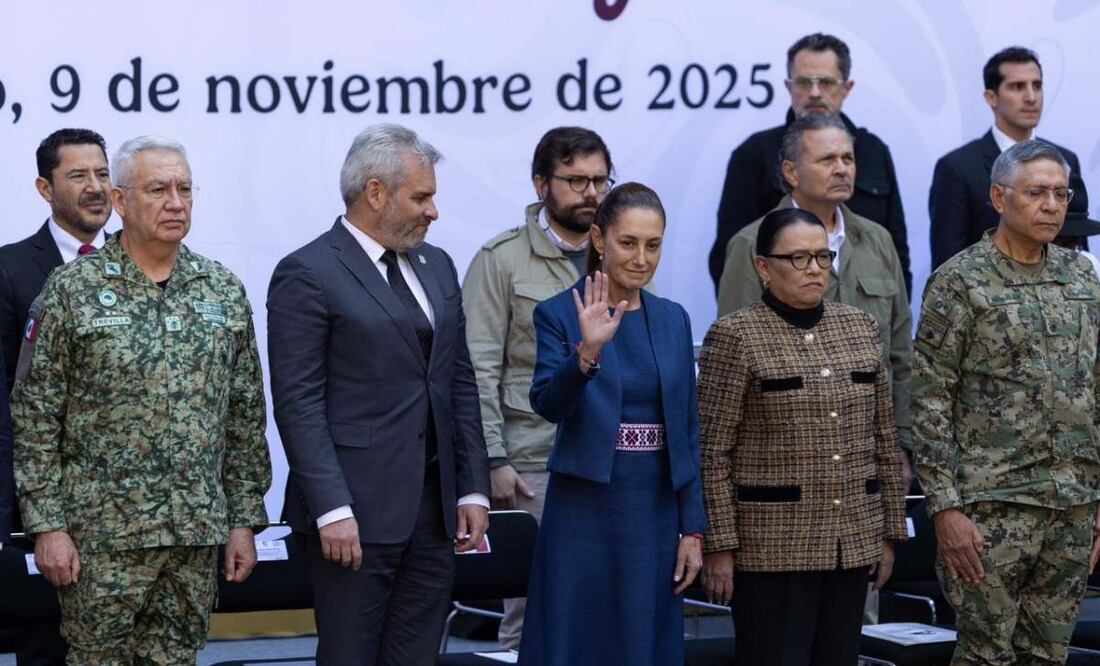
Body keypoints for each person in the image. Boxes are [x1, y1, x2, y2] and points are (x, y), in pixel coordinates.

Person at [12, 136, 271, 664]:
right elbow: (35, 417)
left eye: (184, 189)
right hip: (101, 540)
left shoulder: (221, 290)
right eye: (158, 189)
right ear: (122, 200)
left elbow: (244, 417)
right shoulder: (72, 290)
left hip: (195, 537)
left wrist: (244, 520)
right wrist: (48, 526)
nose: (175, 202)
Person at [268, 123, 491, 666]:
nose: (433, 211)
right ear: (375, 192)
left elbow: (457, 379)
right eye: (421, 197)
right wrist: (331, 510)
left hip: (435, 513)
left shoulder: (436, 264)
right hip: (355, 515)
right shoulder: (308, 272)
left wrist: (473, 490)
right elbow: (298, 404)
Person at [913, 139, 1100, 665]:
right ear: (999, 197)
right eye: (1036, 192)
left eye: (1060, 194)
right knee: (985, 656)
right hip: (991, 505)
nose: (1051, 205)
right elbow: (930, 401)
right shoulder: (959, 281)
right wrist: (946, 509)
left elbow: (1096, 386)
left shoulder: (1082, 275)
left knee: (1049, 654)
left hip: (1072, 503)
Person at [699, 208, 907, 666]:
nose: (814, 268)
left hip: (851, 541)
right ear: (762, 267)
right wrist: (719, 546)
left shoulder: (860, 328)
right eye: (798, 258)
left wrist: (888, 532)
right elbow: (712, 452)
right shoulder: (735, 336)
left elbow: (885, 441)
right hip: (769, 549)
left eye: (821, 256)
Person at [519, 183, 705, 666]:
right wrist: (587, 353)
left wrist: (693, 529)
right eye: (628, 243)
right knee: (576, 641)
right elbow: (549, 404)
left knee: (644, 643)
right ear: (600, 241)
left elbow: (686, 431)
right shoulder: (560, 312)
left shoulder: (673, 319)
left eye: (654, 244)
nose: (642, 258)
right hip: (585, 512)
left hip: (654, 512)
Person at [462, 126, 613, 649]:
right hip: (531, 462)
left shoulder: (621, 254)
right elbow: (476, 366)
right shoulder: (500, 259)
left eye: (599, 180)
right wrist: (493, 459)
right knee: (530, 614)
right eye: (575, 180)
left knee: (602, 609)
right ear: (541, 185)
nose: (591, 193)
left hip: (608, 457)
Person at [718, 114, 913, 484]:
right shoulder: (751, 243)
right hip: (786, 457)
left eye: (848, 159)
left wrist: (903, 444)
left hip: (869, 451)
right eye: (827, 160)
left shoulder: (877, 240)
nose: (842, 169)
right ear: (791, 172)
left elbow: (901, 354)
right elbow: (733, 364)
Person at [0, 130, 113, 665]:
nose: (95, 188)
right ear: (45, 188)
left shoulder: (151, 265)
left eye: (102, 174)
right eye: (78, 176)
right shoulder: (10, 269)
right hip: (49, 512)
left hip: (137, 513)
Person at [710, 32, 909, 297]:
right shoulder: (754, 153)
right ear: (788, 86)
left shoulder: (873, 151)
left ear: (846, 88)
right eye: (804, 82)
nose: (815, 93)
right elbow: (730, 253)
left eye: (826, 82)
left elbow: (897, 251)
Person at [929, 46, 1090, 269]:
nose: (1031, 97)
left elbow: (1079, 248)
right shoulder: (958, 168)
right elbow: (947, 262)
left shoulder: (1066, 160)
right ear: (991, 97)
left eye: (1037, 85)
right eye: (1017, 87)